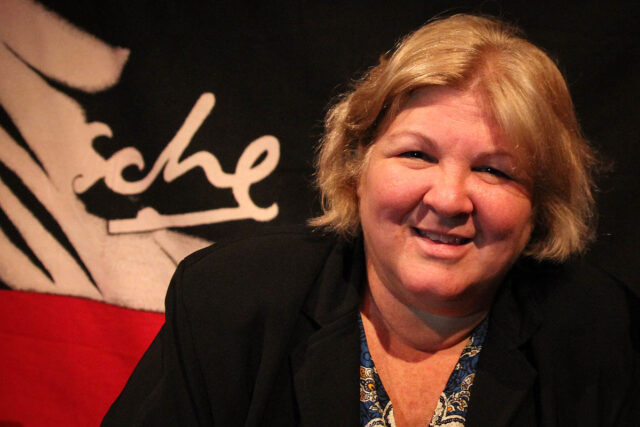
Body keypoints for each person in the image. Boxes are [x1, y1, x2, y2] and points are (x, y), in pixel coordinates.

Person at [103, 14, 639, 426]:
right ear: (356, 165)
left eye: (493, 170)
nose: (449, 199)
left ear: (540, 203)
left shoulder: (605, 334)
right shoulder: (230, 302)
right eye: (417, 155)